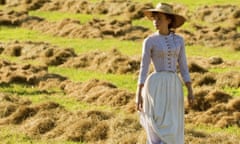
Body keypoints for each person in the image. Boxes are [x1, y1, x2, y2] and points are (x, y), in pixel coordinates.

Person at [136, 3, 194, 144]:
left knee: (173, 123)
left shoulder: (179, 41)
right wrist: (138, 93)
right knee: (157, 122)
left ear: (169, 20)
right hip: (155, 86)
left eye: (160, 18)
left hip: (174, 85)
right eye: (154, 18)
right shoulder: (149, 41)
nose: (156, 21)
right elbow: (144, 67)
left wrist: (190, 89)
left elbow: (183, 66)